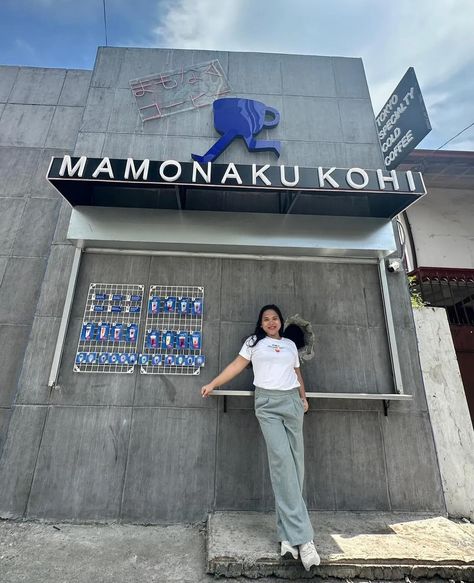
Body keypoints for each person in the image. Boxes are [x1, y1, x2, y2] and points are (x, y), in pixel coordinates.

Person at [201, 304, 321, 571]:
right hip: (267, 404)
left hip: (292, 403)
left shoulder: (290, 345)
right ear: (261, 323)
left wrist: (303, 397)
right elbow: (236, 365)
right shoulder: (254, 343)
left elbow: (297, 373)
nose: (271, 322)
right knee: (282, 464)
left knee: (295, 468)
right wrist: (213, 384)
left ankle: (287, 538)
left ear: (280, 321)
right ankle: (305, 538)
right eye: (266, 319)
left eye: (275, 318)